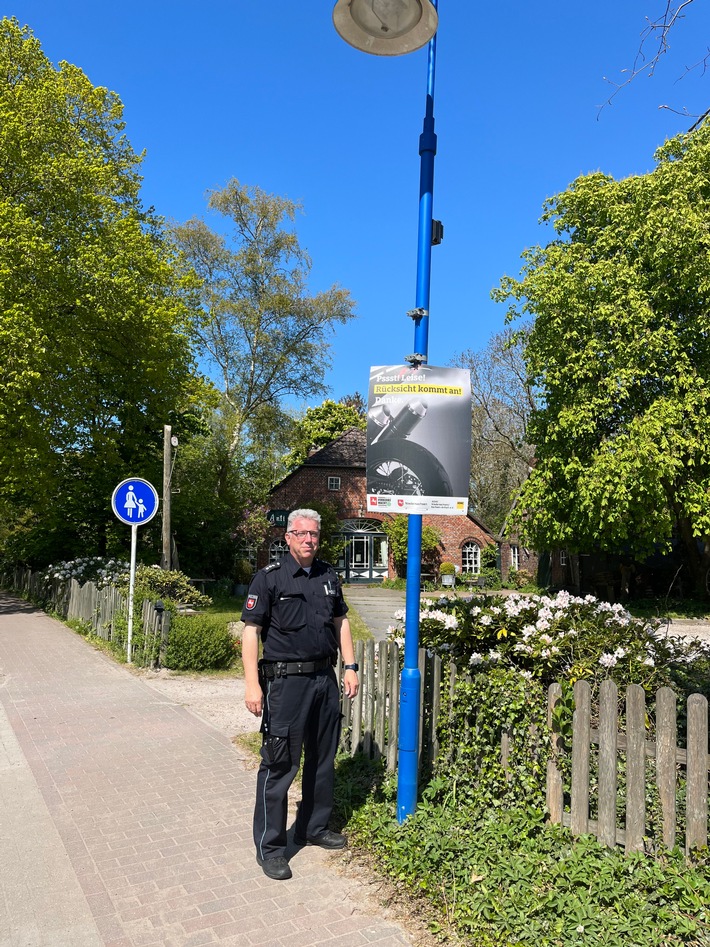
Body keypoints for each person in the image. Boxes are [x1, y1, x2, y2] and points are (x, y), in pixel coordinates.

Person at [241, 508, 359, 881]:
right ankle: (271, 846)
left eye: (314, 535)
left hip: (325, 678)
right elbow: (250, 632)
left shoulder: (328, 576)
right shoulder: (269, 579)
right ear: (288, 537)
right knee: (279, 765)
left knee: (323, 759)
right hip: (286, 684)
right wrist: (251, 683)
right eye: (302, 534)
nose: (309, 540)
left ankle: (313, 826)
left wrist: (350, 666)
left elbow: (341, 622)